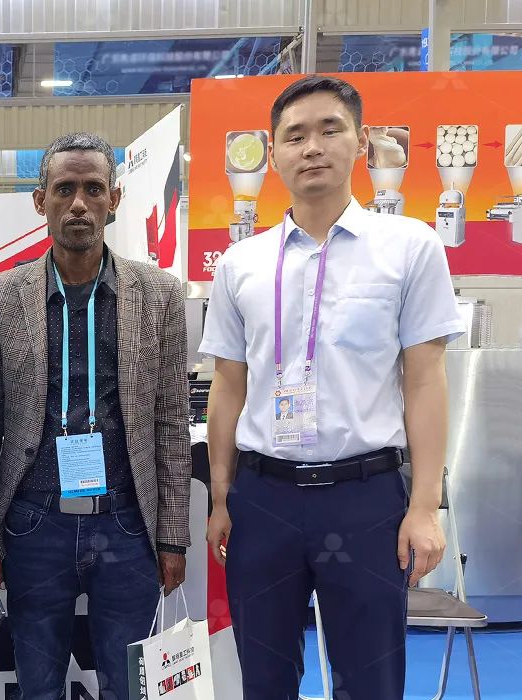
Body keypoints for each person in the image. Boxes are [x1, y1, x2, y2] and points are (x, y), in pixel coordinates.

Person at [201, 75, 464, 700]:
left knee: (370, 681)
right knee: (265, 680)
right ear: (273, 153)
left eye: (329, 130)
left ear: (361, 143)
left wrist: (424, 507)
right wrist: (221, 497)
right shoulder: (241, 263)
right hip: (263, 500)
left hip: (366, 498)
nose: (312, 147)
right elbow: (229, 386)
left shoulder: (410, 247)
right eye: (295, 136)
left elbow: (425, 381)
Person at [0, 132, 192, 700]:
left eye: (93, 189)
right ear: (39, 200)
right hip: (32, 525)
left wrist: (172, 538)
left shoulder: (160, 296)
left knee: (127, 687)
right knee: (37, 686)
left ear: (114, 199)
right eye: (64, 189)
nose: (78, 204)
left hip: (127, 525)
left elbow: (171, 422)